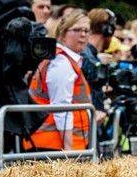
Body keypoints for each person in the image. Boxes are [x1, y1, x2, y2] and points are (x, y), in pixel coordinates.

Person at [24, 9, 92, 151]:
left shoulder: (63, 59)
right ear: (63, 33)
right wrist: (69, 151)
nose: (83, 34)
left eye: (87, 30)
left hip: (51, 144)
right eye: (77, 30)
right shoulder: (61, 62)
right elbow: (61, 109)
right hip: (53, 146)